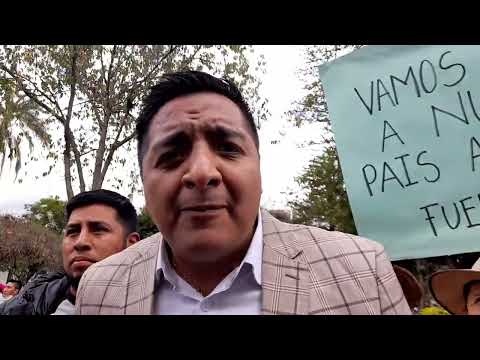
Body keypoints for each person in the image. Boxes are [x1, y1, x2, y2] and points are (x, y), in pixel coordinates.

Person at [75, 70, 410, 315]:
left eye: (228, 148)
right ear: (144, 181)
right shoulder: (99, 288)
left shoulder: (363, 269)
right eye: (172, 154)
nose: (202, 172)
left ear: (259, 170)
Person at [0, 189, 140, 315]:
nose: (80, 242)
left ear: (132, 244)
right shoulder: (21, 306)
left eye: (98, 229)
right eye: (73, 231)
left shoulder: (154, 304)